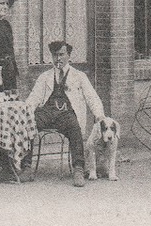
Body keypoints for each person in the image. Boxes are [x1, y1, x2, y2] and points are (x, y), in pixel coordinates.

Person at [23, 40, 104, 187]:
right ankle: (27, 167)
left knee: (74, 127)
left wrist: (99, 114)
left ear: (69, 56)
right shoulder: (45, 77)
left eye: (61, 54)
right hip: (47, 112)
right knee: (29, 123)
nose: (58, 58)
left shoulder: (79, 76)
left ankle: (78, 169)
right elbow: (34, 97)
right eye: (55, 55)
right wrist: (26, 111)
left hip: (67, 114)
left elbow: (92, 96)